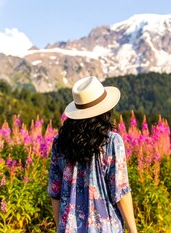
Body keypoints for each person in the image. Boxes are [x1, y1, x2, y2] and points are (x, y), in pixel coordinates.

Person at [48, 76, 137, 233]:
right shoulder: (112, 142)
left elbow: (55, 192)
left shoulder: (59, 143)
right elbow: (121, 192)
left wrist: (61, 226)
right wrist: (133, 230)